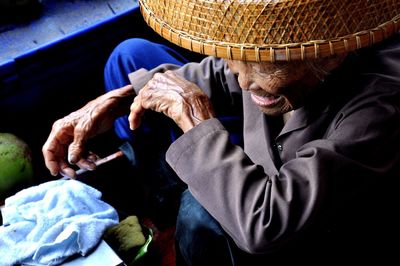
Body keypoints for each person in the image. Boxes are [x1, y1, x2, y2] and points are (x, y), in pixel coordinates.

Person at [42, 0, 400, 265]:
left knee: (200, 214)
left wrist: (192, 116)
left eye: (264, 67)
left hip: (298, 229)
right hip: (261, 159)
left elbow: (267, 224)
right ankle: (165, 201)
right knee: (131, 58)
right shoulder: (278, 56)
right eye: (236, 57)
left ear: (332, 54)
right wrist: (124, 98)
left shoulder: (380, 108)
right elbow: (223, 75)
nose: (243, 80)